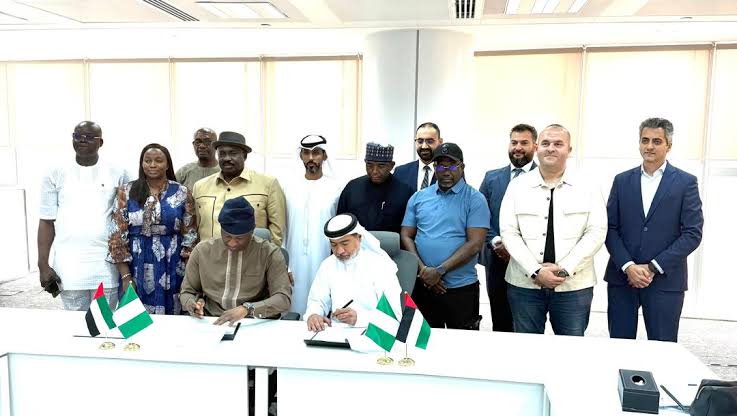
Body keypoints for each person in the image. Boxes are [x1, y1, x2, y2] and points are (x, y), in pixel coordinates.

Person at [499, 124, 606, 336]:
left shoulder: (588, 186)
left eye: (558, 144)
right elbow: (509, 232)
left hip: (573, 286)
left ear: (569, 149)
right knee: (526, 347)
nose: (551, 148)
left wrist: (564, 269)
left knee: (571, 348)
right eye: (546, 143)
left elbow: (596, 231)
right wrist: (536, 271)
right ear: (537, 147)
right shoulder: (518, 186)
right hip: (524, 285)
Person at [604, 117, 704, 342]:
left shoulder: (686, 182)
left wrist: (652, 267)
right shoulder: (621, 181)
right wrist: (628, 266)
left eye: (656, 141)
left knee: (663, 347)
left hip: (666, 280)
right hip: (623, 278)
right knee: (619, 346)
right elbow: (609, 228)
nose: (649, 146)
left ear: (669, 145)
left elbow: (692, 233)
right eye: (645, 140)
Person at [37, 121, 129, 311]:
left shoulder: (118, 172)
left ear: (100, 142)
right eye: (77, 136)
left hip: (106, 265)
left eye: (88, 137)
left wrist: (126, 271)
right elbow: (46, 220)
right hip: (69, 267)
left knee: (103, 321)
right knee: (74, 323)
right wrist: (42, 264)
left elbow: (126, 220)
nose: (82, 140)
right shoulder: (55, 172)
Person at [401, 143, 490, 330]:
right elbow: (406, 235)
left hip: (460, 289)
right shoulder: (419, 197)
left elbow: (475, 244)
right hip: (424, 286)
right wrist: (425, 271)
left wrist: (439, 271)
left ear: (462, 167)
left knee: (462, 343)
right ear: (434, 168)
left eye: (452, 166)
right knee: (424, 340)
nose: (446, 172)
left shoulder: (475, 199)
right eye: (440, 167)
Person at [108, 143, 197, 315]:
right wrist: (126, 277)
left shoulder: (182, 192)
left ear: (167, 164)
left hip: (173, 265)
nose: (152, 165)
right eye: (147, 161)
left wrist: (189, 278)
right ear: (141, 164)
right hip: (136, 265)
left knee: (174, 314)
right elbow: (117, 236)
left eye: (158, 160)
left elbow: (190, 236)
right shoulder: (126, 191)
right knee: (136, 317)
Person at [180, 196, 291, 324]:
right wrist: (193, 305)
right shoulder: (202, 251)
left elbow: (283, 299)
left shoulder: (269, 253)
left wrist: (248, 309)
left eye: (239, 238)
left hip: (253, 322)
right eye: (227, 236)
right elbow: (187, 292)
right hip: (212, 320)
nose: (232, 243)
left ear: (252, 231)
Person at [479, 123, 538, 332]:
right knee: (500, 318)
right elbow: (481, 217)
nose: (518, 147)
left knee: (528, 321)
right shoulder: (491, 178)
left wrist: (518, 248)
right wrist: (496, 242)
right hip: (498, 258)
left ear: (535, 146)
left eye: (524, 143)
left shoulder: (543, 177)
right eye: (514, 142)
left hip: (533, 261)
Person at [305, 213, 402, 332]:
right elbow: (317, 300)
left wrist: (359, 318)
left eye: (345, 243)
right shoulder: (328, 265)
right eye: (334, 245)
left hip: (373, 333)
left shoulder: (380, 265)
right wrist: (314, 314)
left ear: (359, 238)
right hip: (336, 332)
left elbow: (393, 315)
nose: (339, 251)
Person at [282, 135, 343, 316]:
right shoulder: (288, 187)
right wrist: (284, 264)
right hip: (293, 258)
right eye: (306, 153)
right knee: (293, 304)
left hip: (323, 256)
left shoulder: (336, 188)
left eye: (316, 153)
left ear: (324, 156)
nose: (311, 158)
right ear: (300, 156)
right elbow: (282, 228)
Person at [192, 131, 287, 245]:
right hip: (209, 255)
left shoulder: (268, 185)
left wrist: (267, 254)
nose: (227, 158)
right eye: (222, 154)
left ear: (245, 155)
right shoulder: (200, 187)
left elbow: (277, 233)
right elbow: (193, 229)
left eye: (233, 153)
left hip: (252, 255)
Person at [337, 142, 414, 233]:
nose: (374, 171)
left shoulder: (405, 191)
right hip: (357, 241)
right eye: (370, 165)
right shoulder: (352, 188)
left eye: (381, 166)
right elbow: (341, 222)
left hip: (390, 242)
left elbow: (409, 228)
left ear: (391, 165)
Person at [394, 122, 443, 192]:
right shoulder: (400, 172)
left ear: (440, 142)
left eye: (430, 141)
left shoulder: (448, 171)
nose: (424, 146)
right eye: (420, 141)